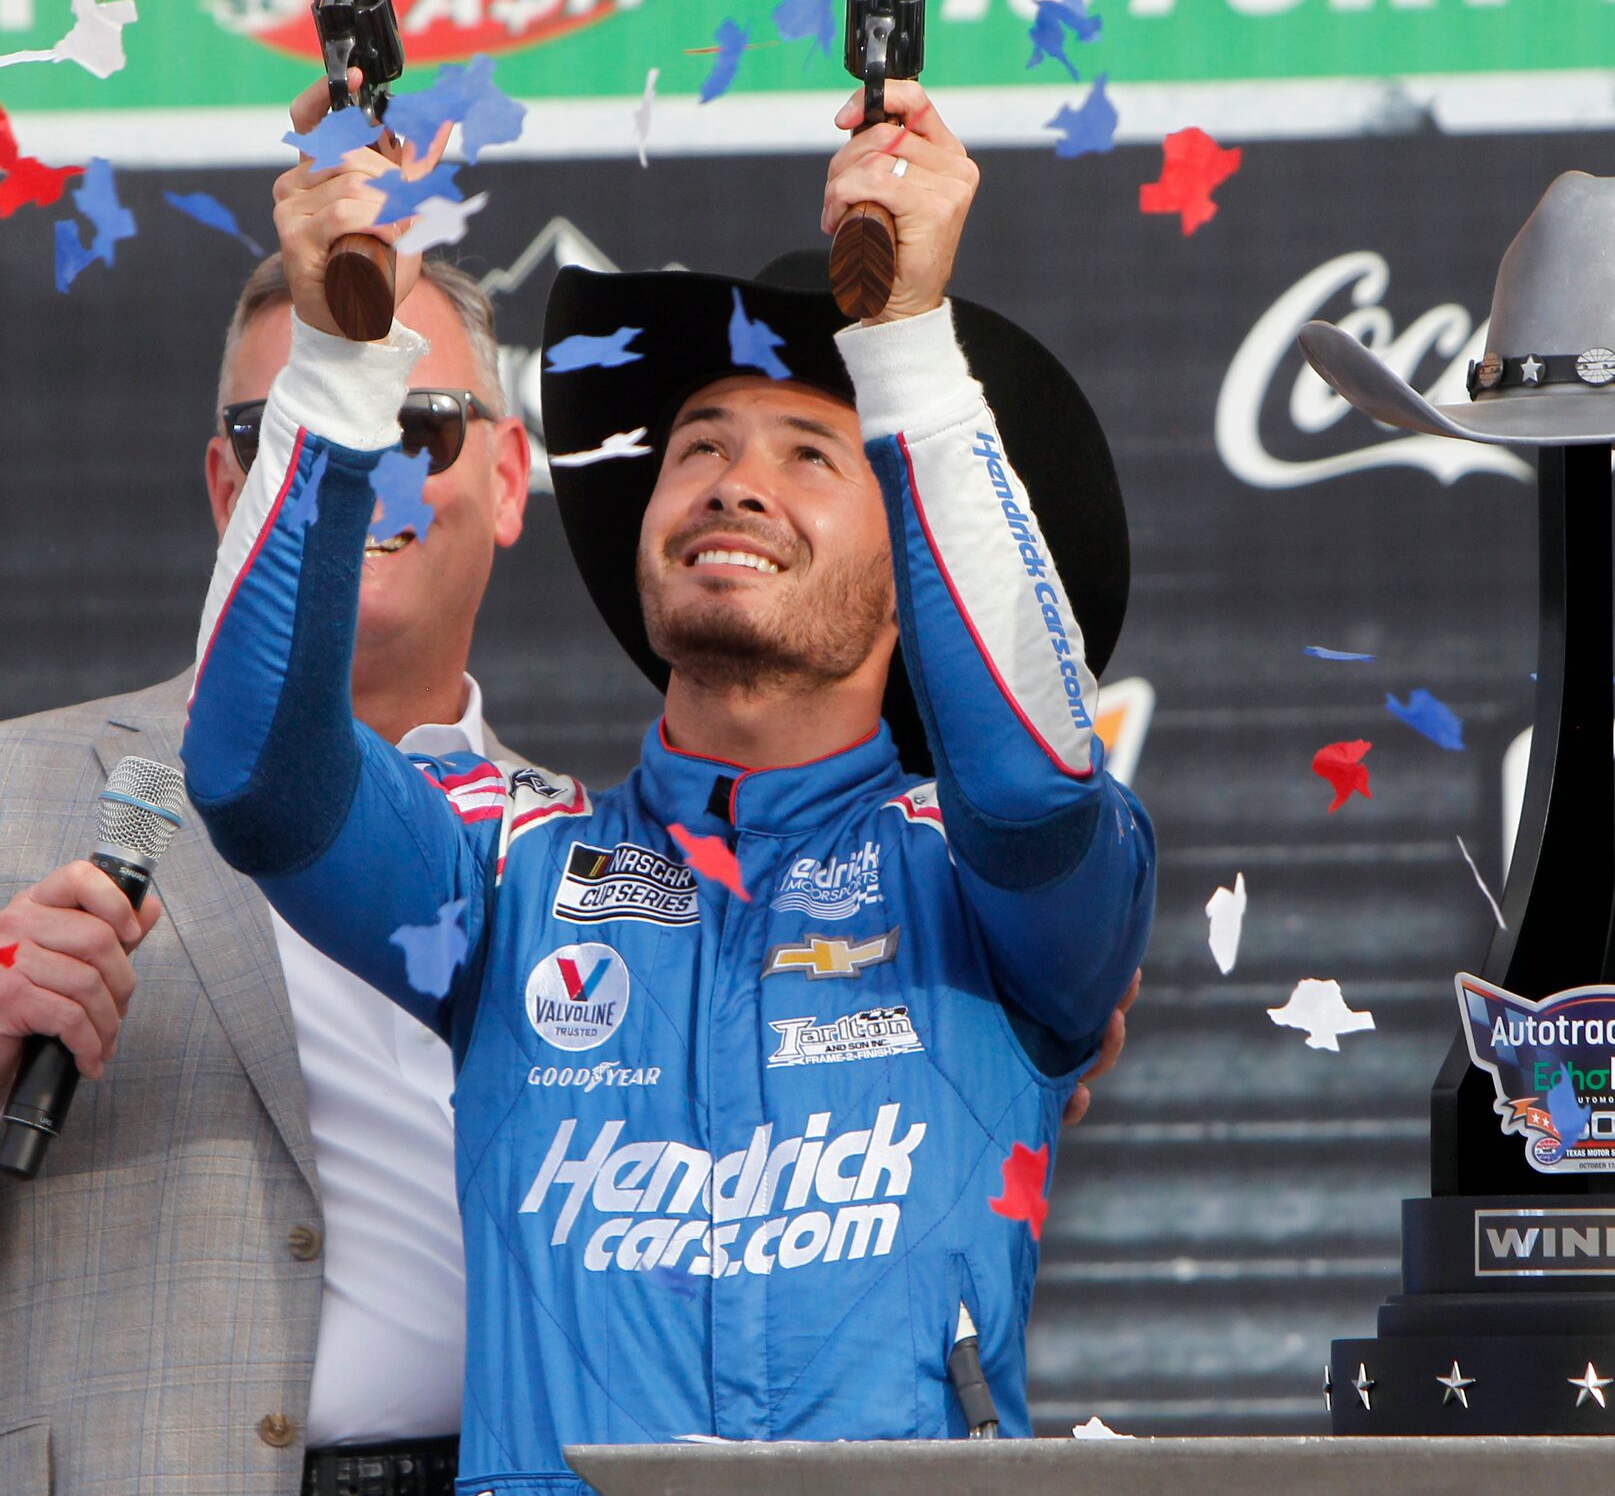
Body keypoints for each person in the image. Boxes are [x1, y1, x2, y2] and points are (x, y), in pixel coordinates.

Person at [181, 77, 1156, 1488]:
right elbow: (259, 775)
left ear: (917, 580)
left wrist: (906, 353)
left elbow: (1029, 787)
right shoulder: (507, 870)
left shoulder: (991, 880)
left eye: (810, 452)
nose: (732, 481)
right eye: (697, 445)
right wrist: (339, 361)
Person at [0, 249, 532, 1496]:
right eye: (289, 425)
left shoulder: (599, 857)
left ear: (507, 479)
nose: (356, 470)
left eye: (414, 422)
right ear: (227, 482)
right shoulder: (16, 790)